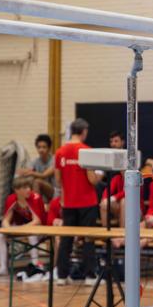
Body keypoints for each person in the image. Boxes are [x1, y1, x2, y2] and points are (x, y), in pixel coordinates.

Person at [54, 118, 100, 286]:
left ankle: (61, 275)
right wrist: (100, 176)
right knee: (88, 238)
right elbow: (92, 180)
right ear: (84, 132)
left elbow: (58, 179)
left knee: (67, 239)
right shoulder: (86, 151)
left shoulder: (59, 152)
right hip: (87, 201)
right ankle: (89, 275)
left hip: (69, 203)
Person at [0, 177, 46, 277]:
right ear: (17, 190)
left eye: (29, 187)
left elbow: (37, 221)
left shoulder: (35, 197)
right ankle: (3, 267)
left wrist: (20, 228)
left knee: (31, 235)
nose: (29, 190)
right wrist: (8, 229)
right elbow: (6, 220)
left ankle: (35, 264)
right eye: (24, 188)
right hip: (20, 227)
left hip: (40, 228)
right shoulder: (11, 198)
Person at [18, 134, 56, 202]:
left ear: (49, 148)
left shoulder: (54, 160)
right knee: (24, 182)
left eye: (44, 147)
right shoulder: (35, 161)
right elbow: (28, 171)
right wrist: (22, 173)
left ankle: (36, 206)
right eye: (39, 147)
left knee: (37, 181)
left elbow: (44, 175)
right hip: (40, 190)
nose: (41, 150)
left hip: (53, 191)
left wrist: (31, 173)